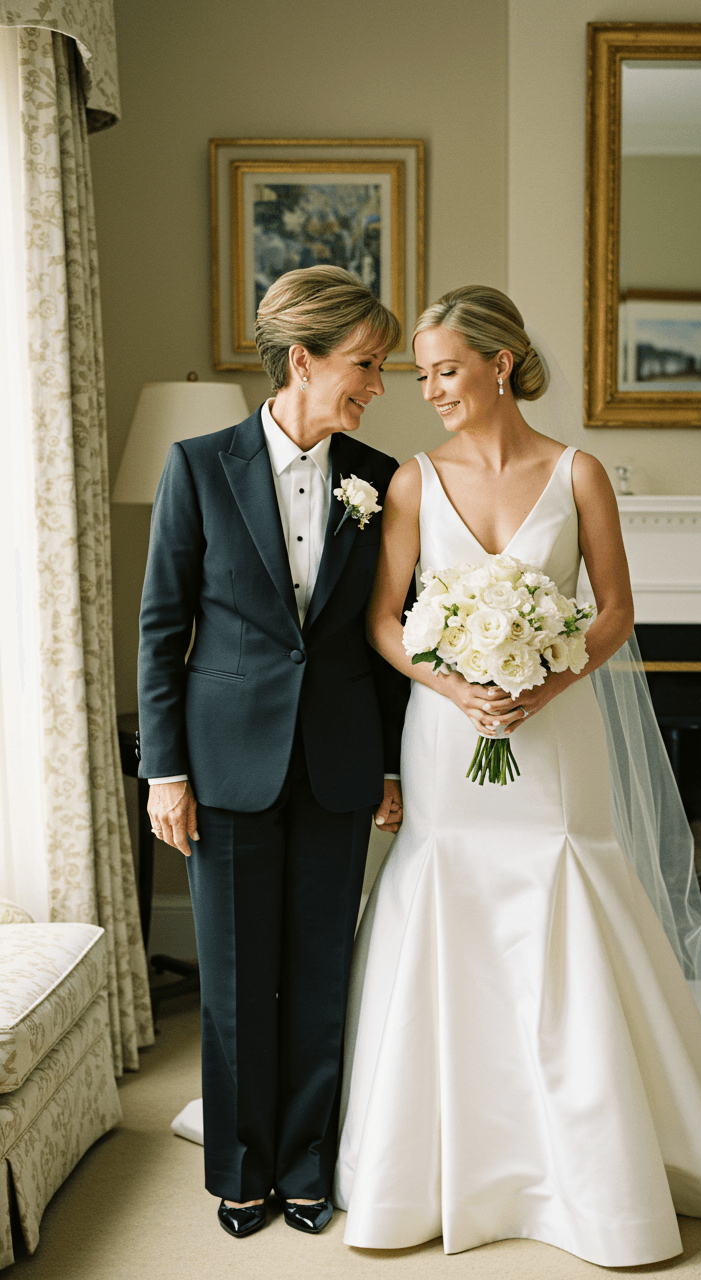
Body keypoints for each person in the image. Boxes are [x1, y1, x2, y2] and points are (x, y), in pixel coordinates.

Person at [332, 286, 701, 1267]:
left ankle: (591, 1150)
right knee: (442, 883)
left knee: (568, 880)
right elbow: (381, 620)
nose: (429, 388)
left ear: (498, 363)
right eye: (418, 373)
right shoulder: (411, 479)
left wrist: (545, 679)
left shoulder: (575, 472)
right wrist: (453, 684)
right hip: (448, 735)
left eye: (443, 369)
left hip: (555, 723)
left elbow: (613, 610)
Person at [138, 265, 411, 1239]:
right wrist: (164, 771)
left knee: (318, 973)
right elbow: (161, 629)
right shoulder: (197, 465)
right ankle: (240, 1170)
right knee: (237, 982)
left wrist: (386, 762)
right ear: (303, 359)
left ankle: (306, 1163)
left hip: (337, 763)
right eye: (366, 365)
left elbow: (386, 635)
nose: (379, 384)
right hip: (223, 766)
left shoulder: (378, 479)